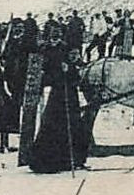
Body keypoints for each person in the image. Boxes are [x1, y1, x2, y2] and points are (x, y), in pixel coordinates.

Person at [29, 24, 89, 173]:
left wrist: (70, 69)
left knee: (73, 124)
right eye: (53, 33)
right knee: (52, 125)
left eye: (58, 33)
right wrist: (55, 75)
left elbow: (77, 70)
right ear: (50, 34)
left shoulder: (65, 47)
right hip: (57, 95)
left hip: (70, 95)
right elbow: (44, 72)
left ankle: (73, 159)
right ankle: (48, 160)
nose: (56, 35)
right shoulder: (45, 49)